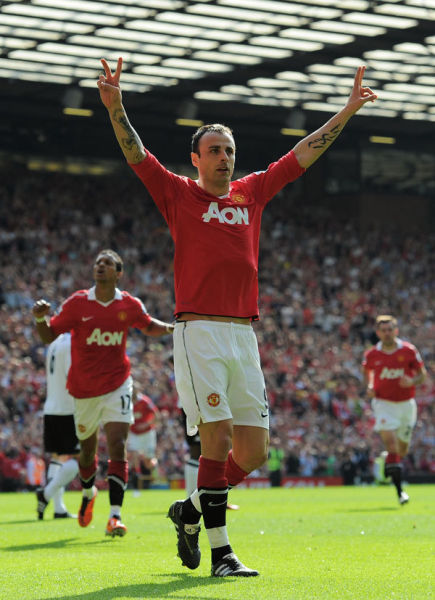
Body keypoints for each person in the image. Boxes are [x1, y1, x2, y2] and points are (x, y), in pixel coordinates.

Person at [97, 57, 377, 576]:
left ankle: (188, 511)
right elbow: (137, 154)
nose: (224, 157)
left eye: (229, 150)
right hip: (199, 330)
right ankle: (222, 553)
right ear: (196, 159)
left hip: (244, 334)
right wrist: (117, 108)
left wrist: (347, 111)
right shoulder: (178, 193)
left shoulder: (252, 192)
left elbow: (302, 154)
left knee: (253, 453)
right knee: (218, 438)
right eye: (214, 150)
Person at [32, 249, 174, 537]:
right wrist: (39, 319)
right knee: (87, 453)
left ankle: (115, 516)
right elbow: (49, 335)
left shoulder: (128, 304)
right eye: (98, 262)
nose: (100, 266)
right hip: (84, 390)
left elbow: (148, 325)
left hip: (118, 383)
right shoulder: (77, 303)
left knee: (118, 443)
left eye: (107, 263)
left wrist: (173, 328)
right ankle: (88, 493)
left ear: (118, 273)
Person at [362, 315, 427, 504]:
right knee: (391, 445)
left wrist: (412, 381)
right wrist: (370, 386)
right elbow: (367, 372)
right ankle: (400, 493)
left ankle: (387, 460)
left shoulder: (408, 350)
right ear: (378, 333)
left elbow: (422, 375)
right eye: (383, 330)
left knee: (401, 450)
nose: (387, 333)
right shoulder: (372, 354)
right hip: (384, 404)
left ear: (396, 331)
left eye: (390, 329)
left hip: (406, 405)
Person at [36, 332, 80, 520]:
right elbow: (73, 376)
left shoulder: (55, 343)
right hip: (67, 408)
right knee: (79, 459)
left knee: (58, 458)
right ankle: (45, 494)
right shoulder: (71, 343)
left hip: (51, 407)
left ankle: (59, 507)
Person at [128, 389, 159, 495]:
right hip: (134, 434)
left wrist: (145, 424)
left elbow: (156, 415)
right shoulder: (127, 401)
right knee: (134, 455)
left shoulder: (145, 401)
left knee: (147, 462)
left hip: (147, 434)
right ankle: (136, 481)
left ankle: (154, 466)